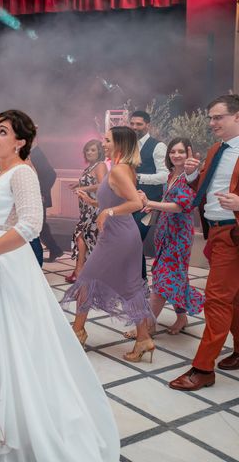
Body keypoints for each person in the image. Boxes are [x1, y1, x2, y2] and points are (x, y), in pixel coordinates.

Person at [0, 113, 119, 461]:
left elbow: (31, 224)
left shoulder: (23, 174)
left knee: (11, 337)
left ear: (20, 142)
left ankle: (15, 419)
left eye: (3, 132)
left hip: (6, 262)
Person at [61, 126, 154, 361]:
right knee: (130, 286)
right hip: (121, 234)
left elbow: (134, 203)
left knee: (86, 279)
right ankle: (143, 339)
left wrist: (109, 211)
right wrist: (94, 203)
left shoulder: (120, 170)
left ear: (120, 144)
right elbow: (115, 203)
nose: (104, 144)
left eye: (108, 140)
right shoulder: (123, 169)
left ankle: (78, 330)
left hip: (118, 236)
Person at [169, 94, 239, 391]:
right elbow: (204, 187)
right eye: (210, 117)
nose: (212, 123)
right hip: (215, 231)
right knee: (232, 298)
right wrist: (191, 174)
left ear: (237, 117)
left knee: (216, 300)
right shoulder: (215, 150)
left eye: (218, 117)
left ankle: (203, 369)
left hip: (233, 233)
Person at [122, 138, 204, 340]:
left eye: (181, 152)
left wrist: (151, 202)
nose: (176, 155)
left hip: (178, 237)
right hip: (165, 234)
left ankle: (149, 326)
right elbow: (170, 201)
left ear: (190, 154)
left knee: (160, 282)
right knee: (176, 277)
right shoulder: (172, 175)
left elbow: (180, 206)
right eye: (172, 152)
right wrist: (154, 205)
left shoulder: (190, 177)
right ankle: (181, 317)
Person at [129, 110, 169, 282]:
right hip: (130, 201)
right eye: (132, 124)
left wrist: (138, 177)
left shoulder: (158, 146)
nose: (135, 127)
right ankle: (138, 280)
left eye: (139, 124)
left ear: (148, 125)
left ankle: (140, 281)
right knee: (130, 241)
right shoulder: (130, 145)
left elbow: (165, 175)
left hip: (149, 204)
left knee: (134, 240)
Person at [67, 139, 107, 282]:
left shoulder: (100, 165)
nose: (89, 152)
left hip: (94, 208)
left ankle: (79, 271)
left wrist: (83, 188)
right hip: (86, 208)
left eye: (93, 150)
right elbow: (91, 181)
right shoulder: (91, 166)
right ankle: (84, 270)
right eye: (87, 150)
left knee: (82, 236)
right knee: (86, 238)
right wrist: (77, 184)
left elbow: (102, 185)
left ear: (100, 152)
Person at [30, 140, 64, 262]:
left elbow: (51, 174)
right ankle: (55, 249)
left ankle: (54, 249)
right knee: (40, 226)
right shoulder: (31, 153)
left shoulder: (35, 153)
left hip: (38, 197)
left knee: (40, 226)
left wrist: (41, 192)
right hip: (33, 196)